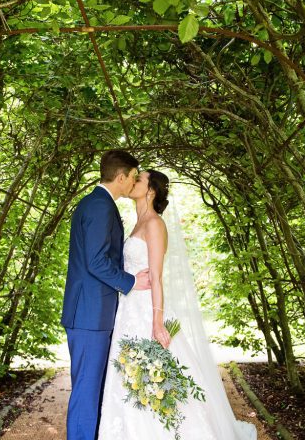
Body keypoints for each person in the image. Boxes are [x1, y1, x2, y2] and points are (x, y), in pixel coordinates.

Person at [98, 170, 257, 439]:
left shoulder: (155, 224)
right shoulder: (137, 223)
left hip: (147, 310)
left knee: (158, 378)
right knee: (129, 380)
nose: (133, 181)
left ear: (151, 190)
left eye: (140, 179)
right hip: (128, 310)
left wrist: (157, 321)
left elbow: (157, 278)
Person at [61, 150, 152, 440]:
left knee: (93, 387)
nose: (134, 183)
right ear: (121, 176)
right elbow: (96, 261)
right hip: (89, 314)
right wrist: (130, 282)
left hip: (92, 312)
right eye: (133, 177)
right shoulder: (100, 207)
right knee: (87, 390)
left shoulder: (98, 203)